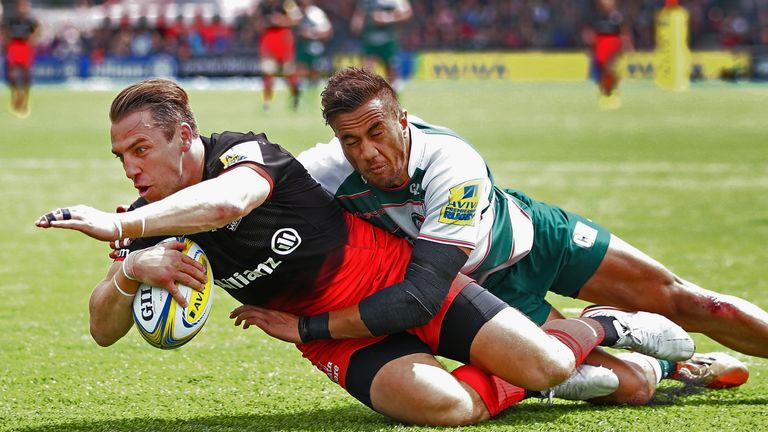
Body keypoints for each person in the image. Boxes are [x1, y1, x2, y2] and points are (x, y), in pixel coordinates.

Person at [35, 79, 692, 426]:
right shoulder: (147, 221)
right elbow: (101, 329)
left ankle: (603, 324)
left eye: (139, 150)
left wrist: (117, 227)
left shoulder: (245, 151)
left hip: (397, 279)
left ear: (183, 138)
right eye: (120, 156)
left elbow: (229, 203)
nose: (129, 168)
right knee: (446, 410)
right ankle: (525, 376)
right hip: (338, 340)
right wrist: (133, 271)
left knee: (550, 363)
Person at [296, 67, 762, 405]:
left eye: (377, 131)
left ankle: (601, 321)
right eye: (350, 141)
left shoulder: (449, 161)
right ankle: (668, 362)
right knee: (632, 387)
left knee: (695, 304)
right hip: (486, 295)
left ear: (402, 120)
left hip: (535, 238)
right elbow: (259, 179)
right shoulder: (328, 169)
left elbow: (423, 288)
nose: (368, 152)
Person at [581, 0, 633, 110]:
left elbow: (624, 33)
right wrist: (589, 41)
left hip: (613, 47)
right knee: (602, 73)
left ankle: (611, 92)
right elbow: (588, 33)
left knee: (610, 70)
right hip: (600, 47)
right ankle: (605, 93)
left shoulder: (617, 17)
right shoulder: (594, 17)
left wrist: (627, 45)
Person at [350, 0, 412, 89]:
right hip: (369, 41)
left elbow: (407, 14)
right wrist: (357, 23)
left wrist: (386, 18)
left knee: (391, 73)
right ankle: (370, 95)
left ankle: (394, 95)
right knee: (366, 73)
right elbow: (359, 14)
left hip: (388, 41)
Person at [255, 0, 302, 111]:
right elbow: (257, 22)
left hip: (284, 39)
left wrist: (280, 21)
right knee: (268, 73)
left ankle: (295, 98)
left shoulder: (286, 3)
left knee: (289, 73)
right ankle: (267, 102)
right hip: (269, 40)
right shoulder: (263, 5)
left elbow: (297, 19)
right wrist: (265, 23)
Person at [1, 0, 39, 118]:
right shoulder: (11, 20)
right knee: (12, 74)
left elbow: (37, 30)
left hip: (25, 46)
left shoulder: (30, 20)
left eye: (25, 6)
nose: (23, 8)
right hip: (14, 45)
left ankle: (25, 101)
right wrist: (6, 43)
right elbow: (4, 31)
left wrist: (32, 41)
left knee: (27, 74)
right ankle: (15, 96)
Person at [294, 0, 333, 104]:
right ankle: (297, 98)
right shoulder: (295, 12)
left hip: (314, 48)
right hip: (301, 48)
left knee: (314, 74)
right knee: (300, 72)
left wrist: (311, 34)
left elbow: (327, 31)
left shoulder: (316, 13)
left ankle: (312, 98)